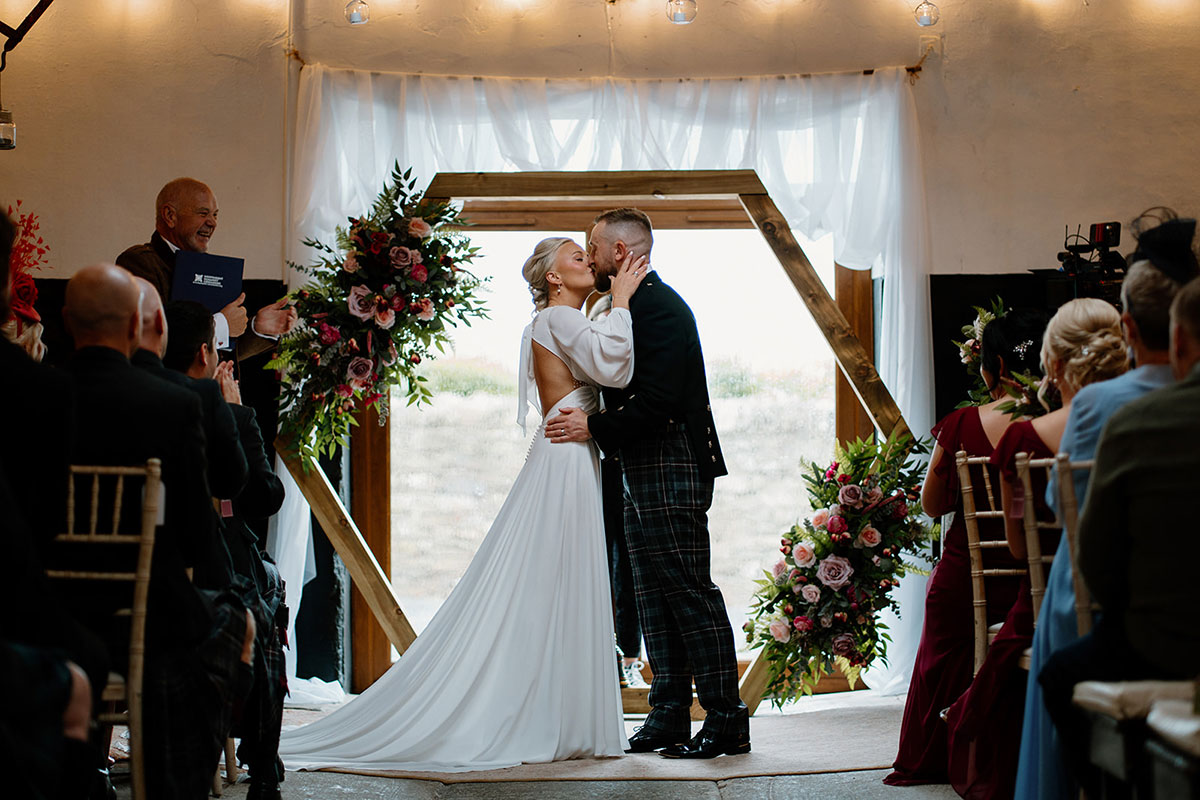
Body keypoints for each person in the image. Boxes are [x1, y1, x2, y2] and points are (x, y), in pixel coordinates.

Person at [277, 239, 648, 772]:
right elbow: (614, 368)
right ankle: (555, 713)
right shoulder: (561, 319)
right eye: (575, 256)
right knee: (559, 574)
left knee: (555, 576)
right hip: (567, 456)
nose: (587, 260)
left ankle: (556, 708)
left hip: (567, 450)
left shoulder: (558, 319)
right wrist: (625, 303)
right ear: (553, 279)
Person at [549, 208, 750, 759]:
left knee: (688, 591)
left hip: (671, 462)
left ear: (618, 252)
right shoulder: (627, 305)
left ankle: (727, 719)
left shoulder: (659, 307)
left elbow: (658, 404)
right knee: (652, 593)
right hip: (640, 466)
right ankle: (667, 715)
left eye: (593, 246)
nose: (588, 255)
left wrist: (593, 425)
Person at [1014, 216, 1197, 800]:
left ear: (1129, 325)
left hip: (1107, 602)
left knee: (1058, 666)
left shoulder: (1101, 407)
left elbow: (1069, 518)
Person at [58, 263, 256, 799]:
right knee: (233, 622)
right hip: (147, 622)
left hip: (47, 617)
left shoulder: (33, 397)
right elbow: (197, 534)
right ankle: (181, 779)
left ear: (64, 321)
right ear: (133, 328)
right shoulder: (172, 404)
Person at [944, 297, 1128, 799]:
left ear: (1051, 363)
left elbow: (1022, 552)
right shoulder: (1147, 417)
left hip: (1059, 602)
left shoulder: (1028, 438)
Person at [884, 308, 1047, 786]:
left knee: (942, 623)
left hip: (967, 582)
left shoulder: (961, 424)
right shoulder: (1057, 421)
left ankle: (934, 753)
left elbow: (932, 507)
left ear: (992, 366)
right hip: (1035, 580)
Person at [165, 299, 289, 800]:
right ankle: (264, 765)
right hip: (205, 573)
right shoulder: (212, 410)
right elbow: (263, 494)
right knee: (265, 588)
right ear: (203, 355)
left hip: (132, 576)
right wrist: (237, 415)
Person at [116, 177, 297, 360]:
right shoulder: (139, 263)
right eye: (203, 213)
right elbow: (155, 342)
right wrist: (220, 325)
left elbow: (213, 355)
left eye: (215, 215)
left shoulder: (209, 267)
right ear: (170, 216)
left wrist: (257, 328)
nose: (212, 223)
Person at [586, 292, 647, 689]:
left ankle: (630, 658)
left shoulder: (635, 360)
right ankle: (596, 655)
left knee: (628, 562)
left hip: (629, 465)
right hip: (594, 464)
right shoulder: (587, 358)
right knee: (595, 558)